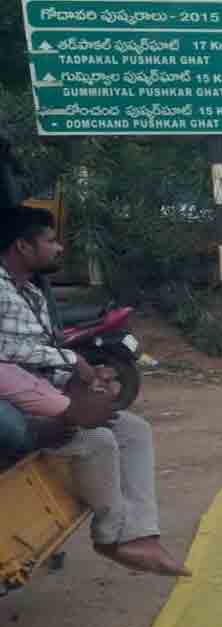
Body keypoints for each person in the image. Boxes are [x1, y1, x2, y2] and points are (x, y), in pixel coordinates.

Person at [0, 206, 189, 575]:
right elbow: (8, 352)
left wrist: (88, 380)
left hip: (39, 389)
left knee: (135, 430)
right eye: (51, 241)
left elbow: (39, 361)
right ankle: (111, 538)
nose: (58, 250)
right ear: (23, 246)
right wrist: (75, 364)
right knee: (98, 441)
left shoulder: (33, 295)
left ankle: (141, 536)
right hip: (16, 401)